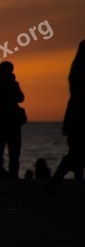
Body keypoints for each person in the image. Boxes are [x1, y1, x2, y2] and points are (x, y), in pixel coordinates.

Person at [49, 40, 85, 188]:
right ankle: (56, 182)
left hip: (75, 119)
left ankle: (64, 181)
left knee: (76, 153)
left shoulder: (76, 78)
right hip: (79, 120)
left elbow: (72, 102)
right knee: (76, 153)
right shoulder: (79, 82)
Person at [0, 61, 25, 178]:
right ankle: (13, 175)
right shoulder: (10, 83)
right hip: (11, 122)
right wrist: (11, 82)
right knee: (13, 152)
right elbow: (20, 98)